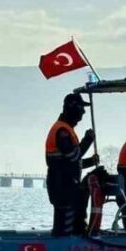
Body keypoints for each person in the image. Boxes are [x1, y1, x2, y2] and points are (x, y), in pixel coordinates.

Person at [45, 93, 99, 236]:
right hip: (62, 184)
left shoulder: (66, 129)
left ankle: (73, 237)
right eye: (81, 108)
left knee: (74, 221)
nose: (83, 112)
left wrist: (91, 162)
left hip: (65, 183)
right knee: (65, 224)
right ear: (72, 108)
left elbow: (70, 162)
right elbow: (72, 155)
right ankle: (62, 244)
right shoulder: (62, 131)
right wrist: (88, 140)